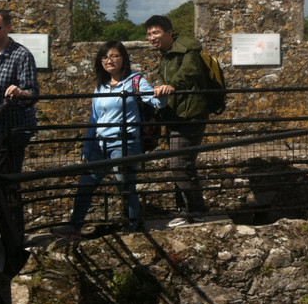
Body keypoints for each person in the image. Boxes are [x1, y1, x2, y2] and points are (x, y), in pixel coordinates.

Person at [51, 42, 166, 236]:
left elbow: (154, 102)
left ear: (124, 59)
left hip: (125, 142)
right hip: (99, 144)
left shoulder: (135, 80)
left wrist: (162, 92)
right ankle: (75, 227)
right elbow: (94, 119)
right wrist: (87, 149)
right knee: (86, 183)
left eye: (114, 56)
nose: (109, 61)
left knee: (125, 186)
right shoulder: (101, 85)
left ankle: (133, 229)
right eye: (105, 57)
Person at [145, 14, 212, 227]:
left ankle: (195, 211)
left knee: (179, 163)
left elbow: (190, 72)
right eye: (148, 34)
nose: (151, 37)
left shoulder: (187, 49)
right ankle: (186, 211)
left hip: (190, 114)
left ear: (169, 32)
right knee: (181, 163)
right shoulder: (167, 55)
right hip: (176, 115)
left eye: (156, 32)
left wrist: (171, 85)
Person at [0, 8, 39, 181]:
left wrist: (20, 92)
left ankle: (11, 208)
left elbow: (33, 94)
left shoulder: (22, 55)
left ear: (8, 27)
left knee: (6, 181)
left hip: (11, 131)